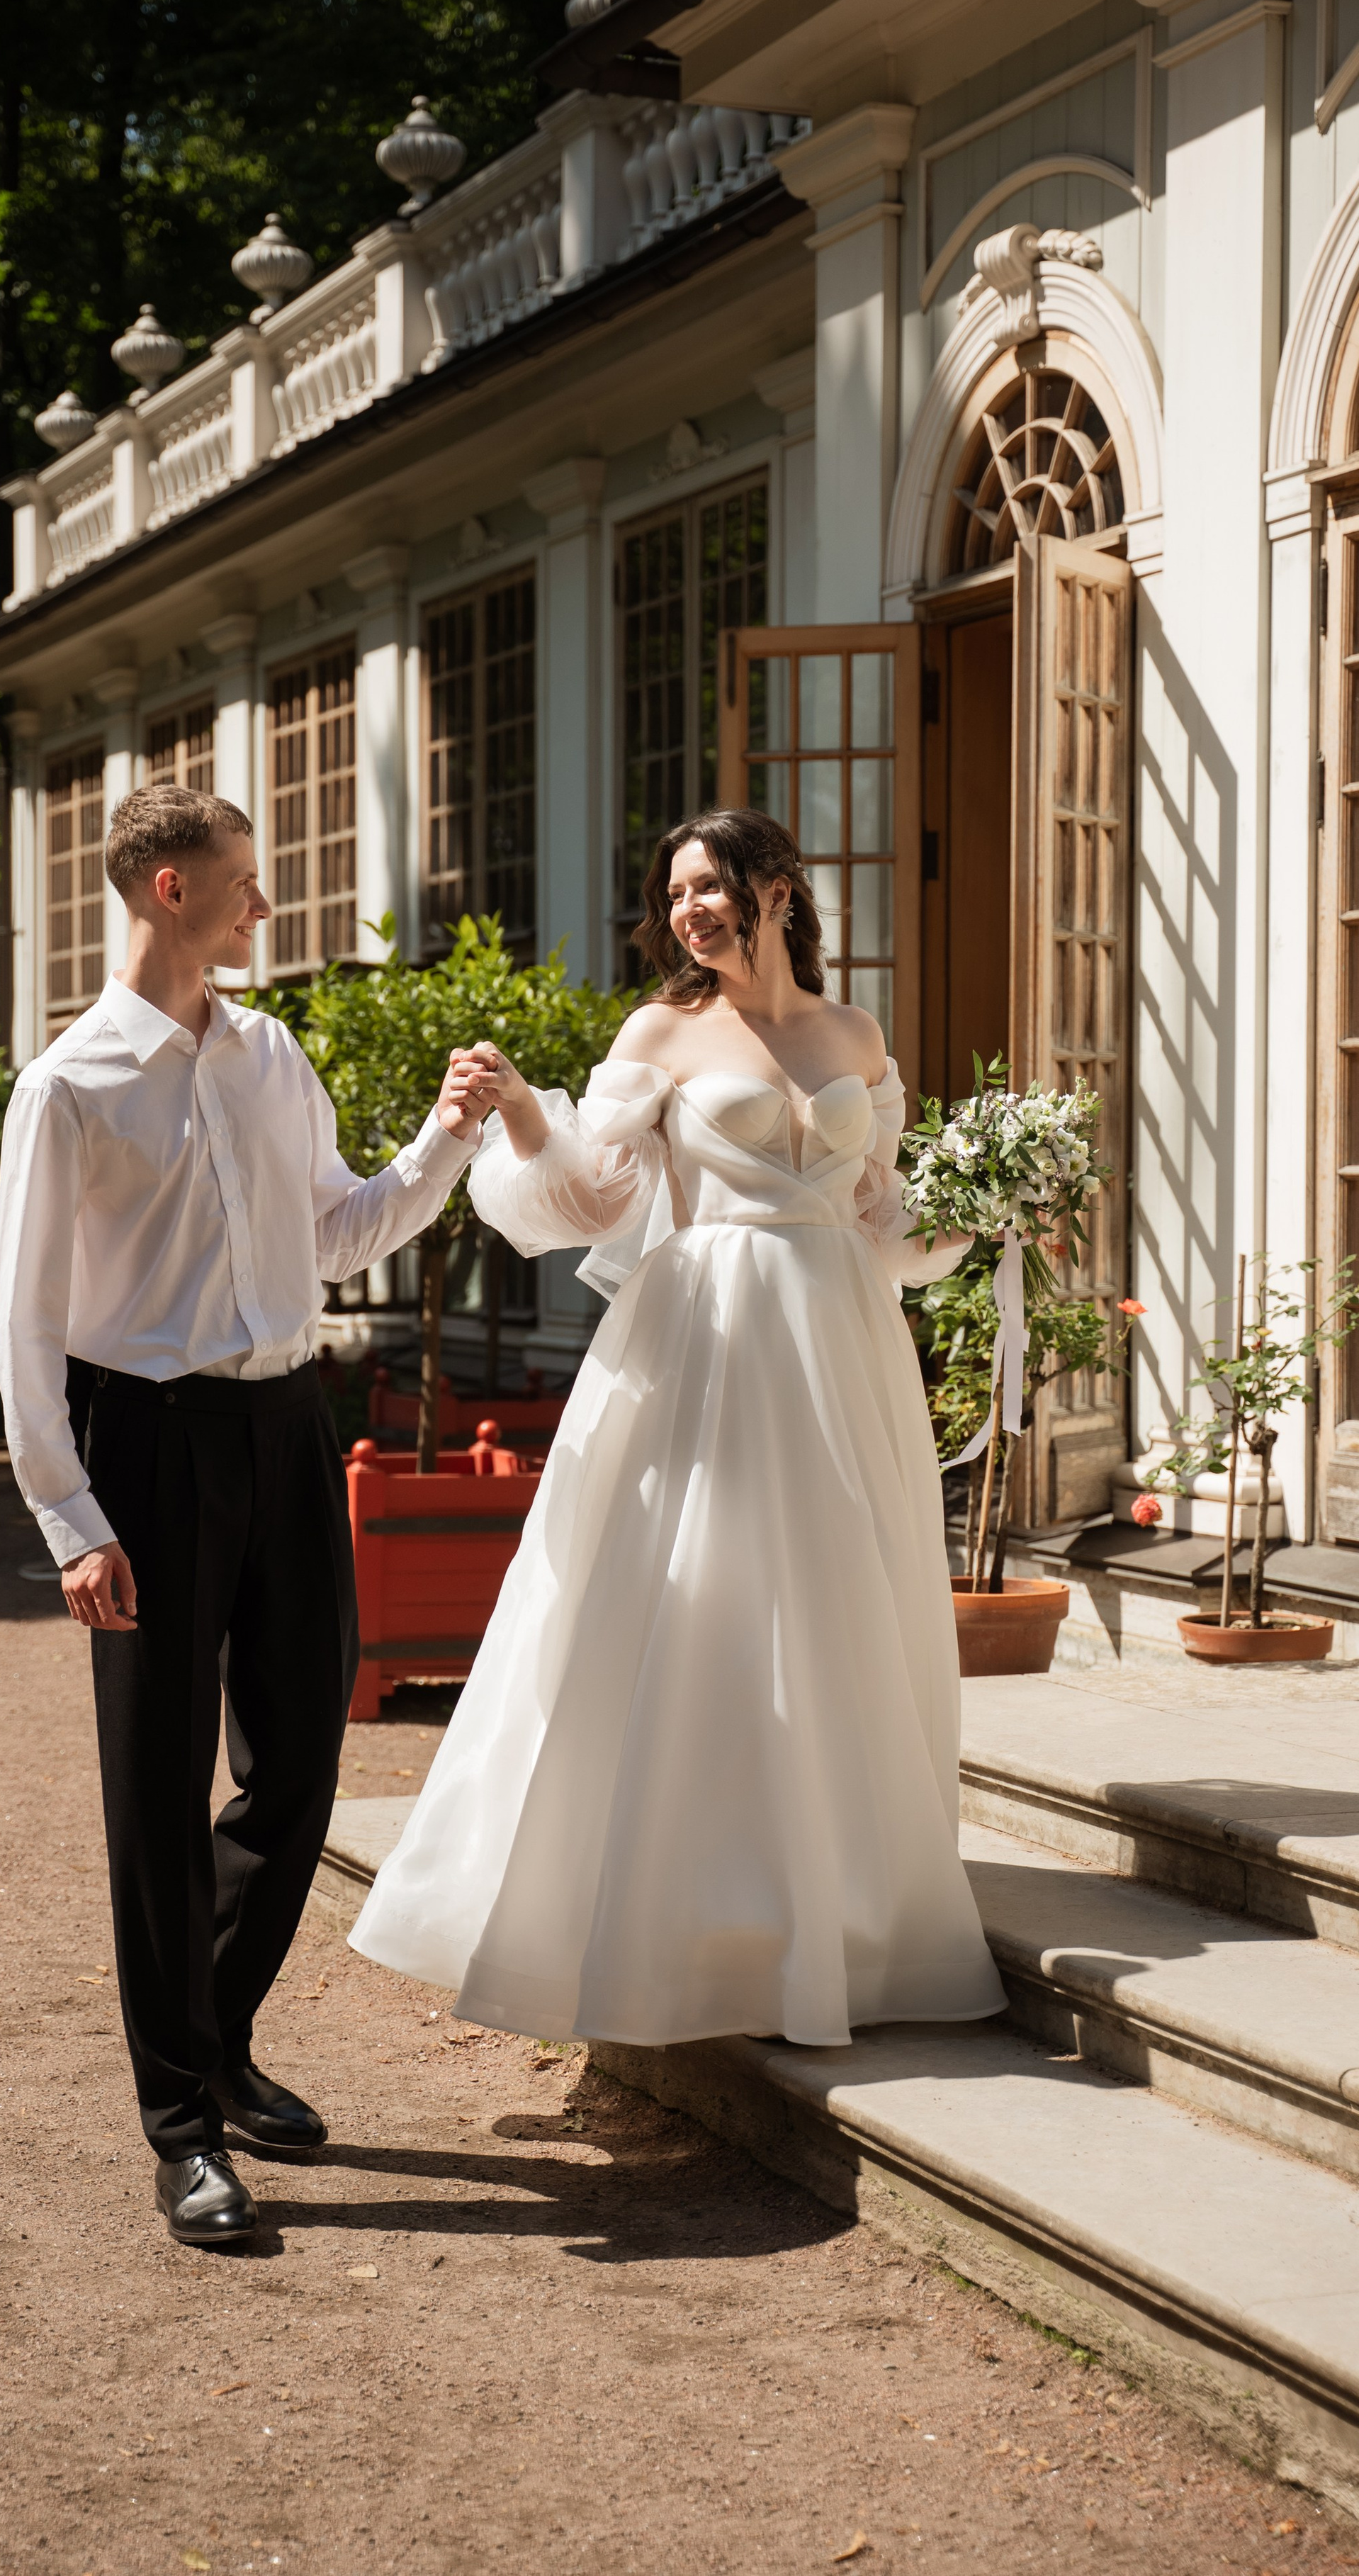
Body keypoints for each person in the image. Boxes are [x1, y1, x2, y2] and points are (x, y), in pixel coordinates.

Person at [351, 809, 1006, 2052]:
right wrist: (523, 1116)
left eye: (711, 885)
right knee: (703, 1600)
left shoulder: (854, 1033)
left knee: (838, 1607)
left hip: (848, 1344)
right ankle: (694, 1920)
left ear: (777, 888)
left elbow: (888, 1221)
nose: (691, 908)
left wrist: (993, 1203)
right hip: (705, 1340)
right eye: (677, 892)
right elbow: (595, 1195)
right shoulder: (662, 1031)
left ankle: (852, 1919)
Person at [0, 785, 489, 2246]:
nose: (262, 909)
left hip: (285, 1430)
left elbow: (333, 1234)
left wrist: (445, 1137)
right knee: (153, 1794)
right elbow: (23, 1328)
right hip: (140, 1446)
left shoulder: (271, 1054)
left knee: (298, 1761)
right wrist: (71, 1520)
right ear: (164, 891)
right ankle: (183, 2126)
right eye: (239, 885)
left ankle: (212, 2029)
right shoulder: (68, 1087)